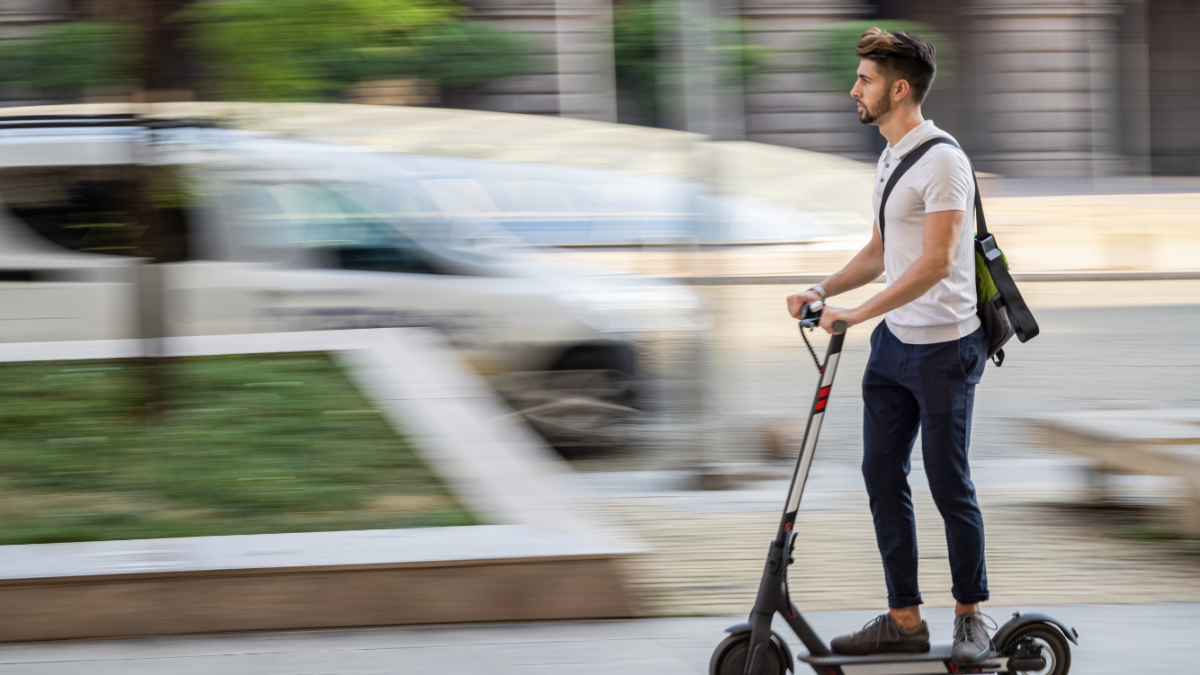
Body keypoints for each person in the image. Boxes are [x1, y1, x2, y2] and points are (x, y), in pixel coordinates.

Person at [785, 27, 992, 664]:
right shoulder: (889, 156)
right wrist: (822, 291)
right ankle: (905, 619)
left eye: (866, 80)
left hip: (944, 349)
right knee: (880, 474)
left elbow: (933, 263)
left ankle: (969, 615)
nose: (855, 90)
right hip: (894, 347)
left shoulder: (944, 162)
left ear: (898, 89)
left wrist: (855, 314)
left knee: (946, 480)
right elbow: (881, 251)